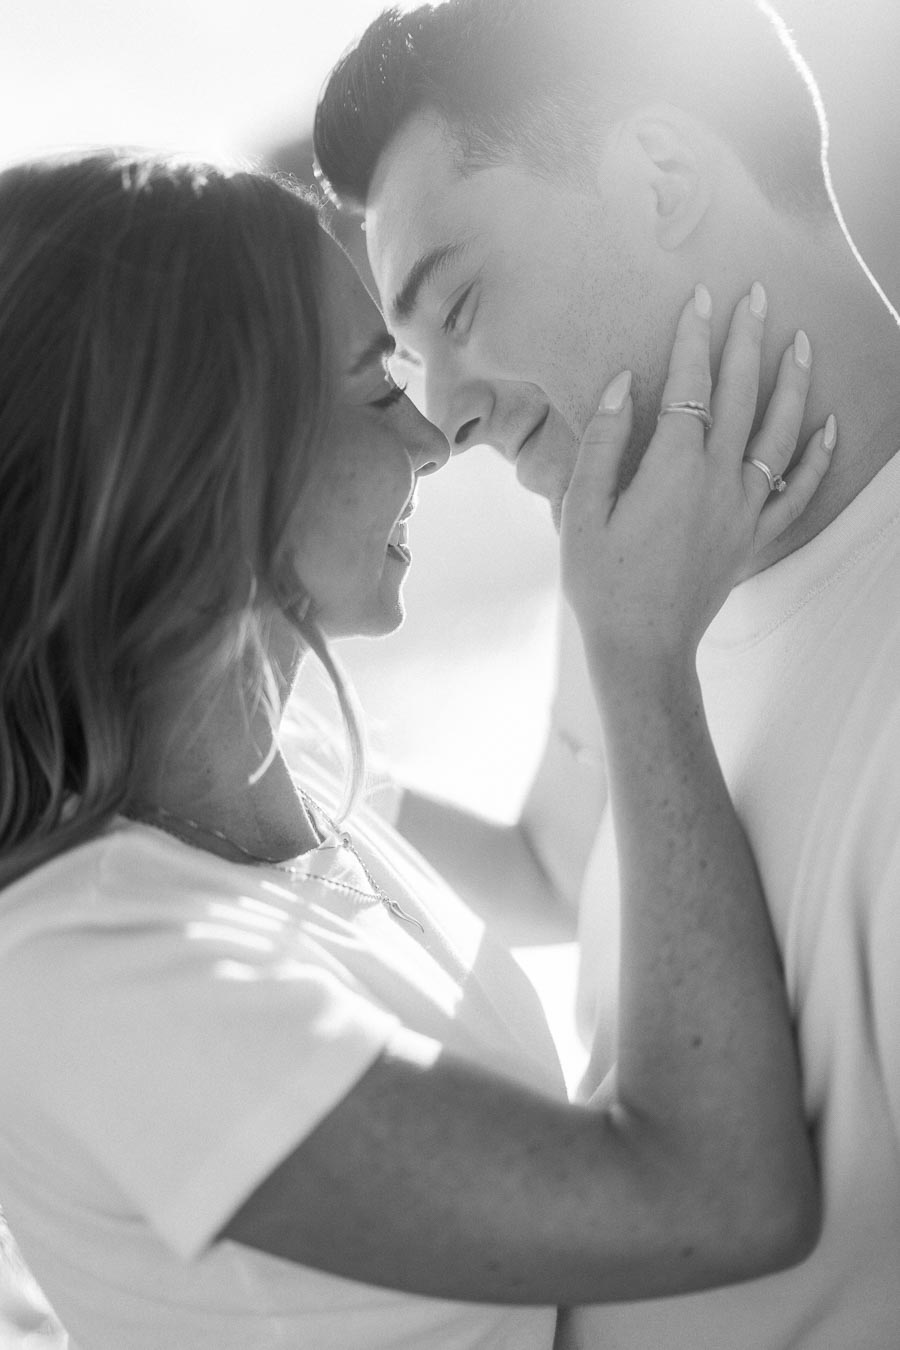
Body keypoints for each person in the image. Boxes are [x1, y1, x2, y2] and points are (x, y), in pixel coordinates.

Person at [0, 148, 828, 1348]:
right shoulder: (89, 978)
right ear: (210, 461)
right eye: (375, 388)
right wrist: (637, 658)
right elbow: (721, 1198)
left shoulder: (296, 771)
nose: (436, 442)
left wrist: (606, 540)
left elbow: (549, 869)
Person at [312, 0, 900, 1345]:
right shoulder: (634, 585)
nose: (445, 412)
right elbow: (548, 863)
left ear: (662, 177)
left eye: (456, 303)